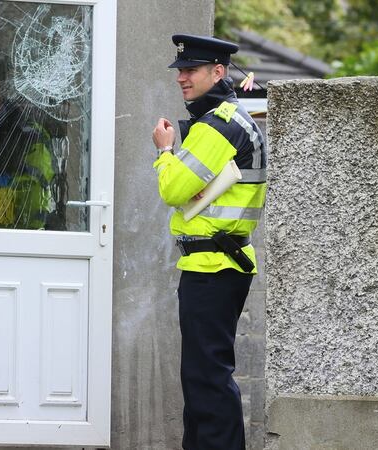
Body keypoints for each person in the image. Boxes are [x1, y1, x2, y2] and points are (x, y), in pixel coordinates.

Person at [151, 34, 267, 450]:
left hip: (214, 267)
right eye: (180, 70)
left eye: (191, 70)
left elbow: (174, 189)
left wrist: (165, 151)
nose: (182, 77)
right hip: (215, 265)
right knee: (203, 378)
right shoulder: (227, 118)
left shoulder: (218, 123)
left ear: (218, 72)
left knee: (208, 379)